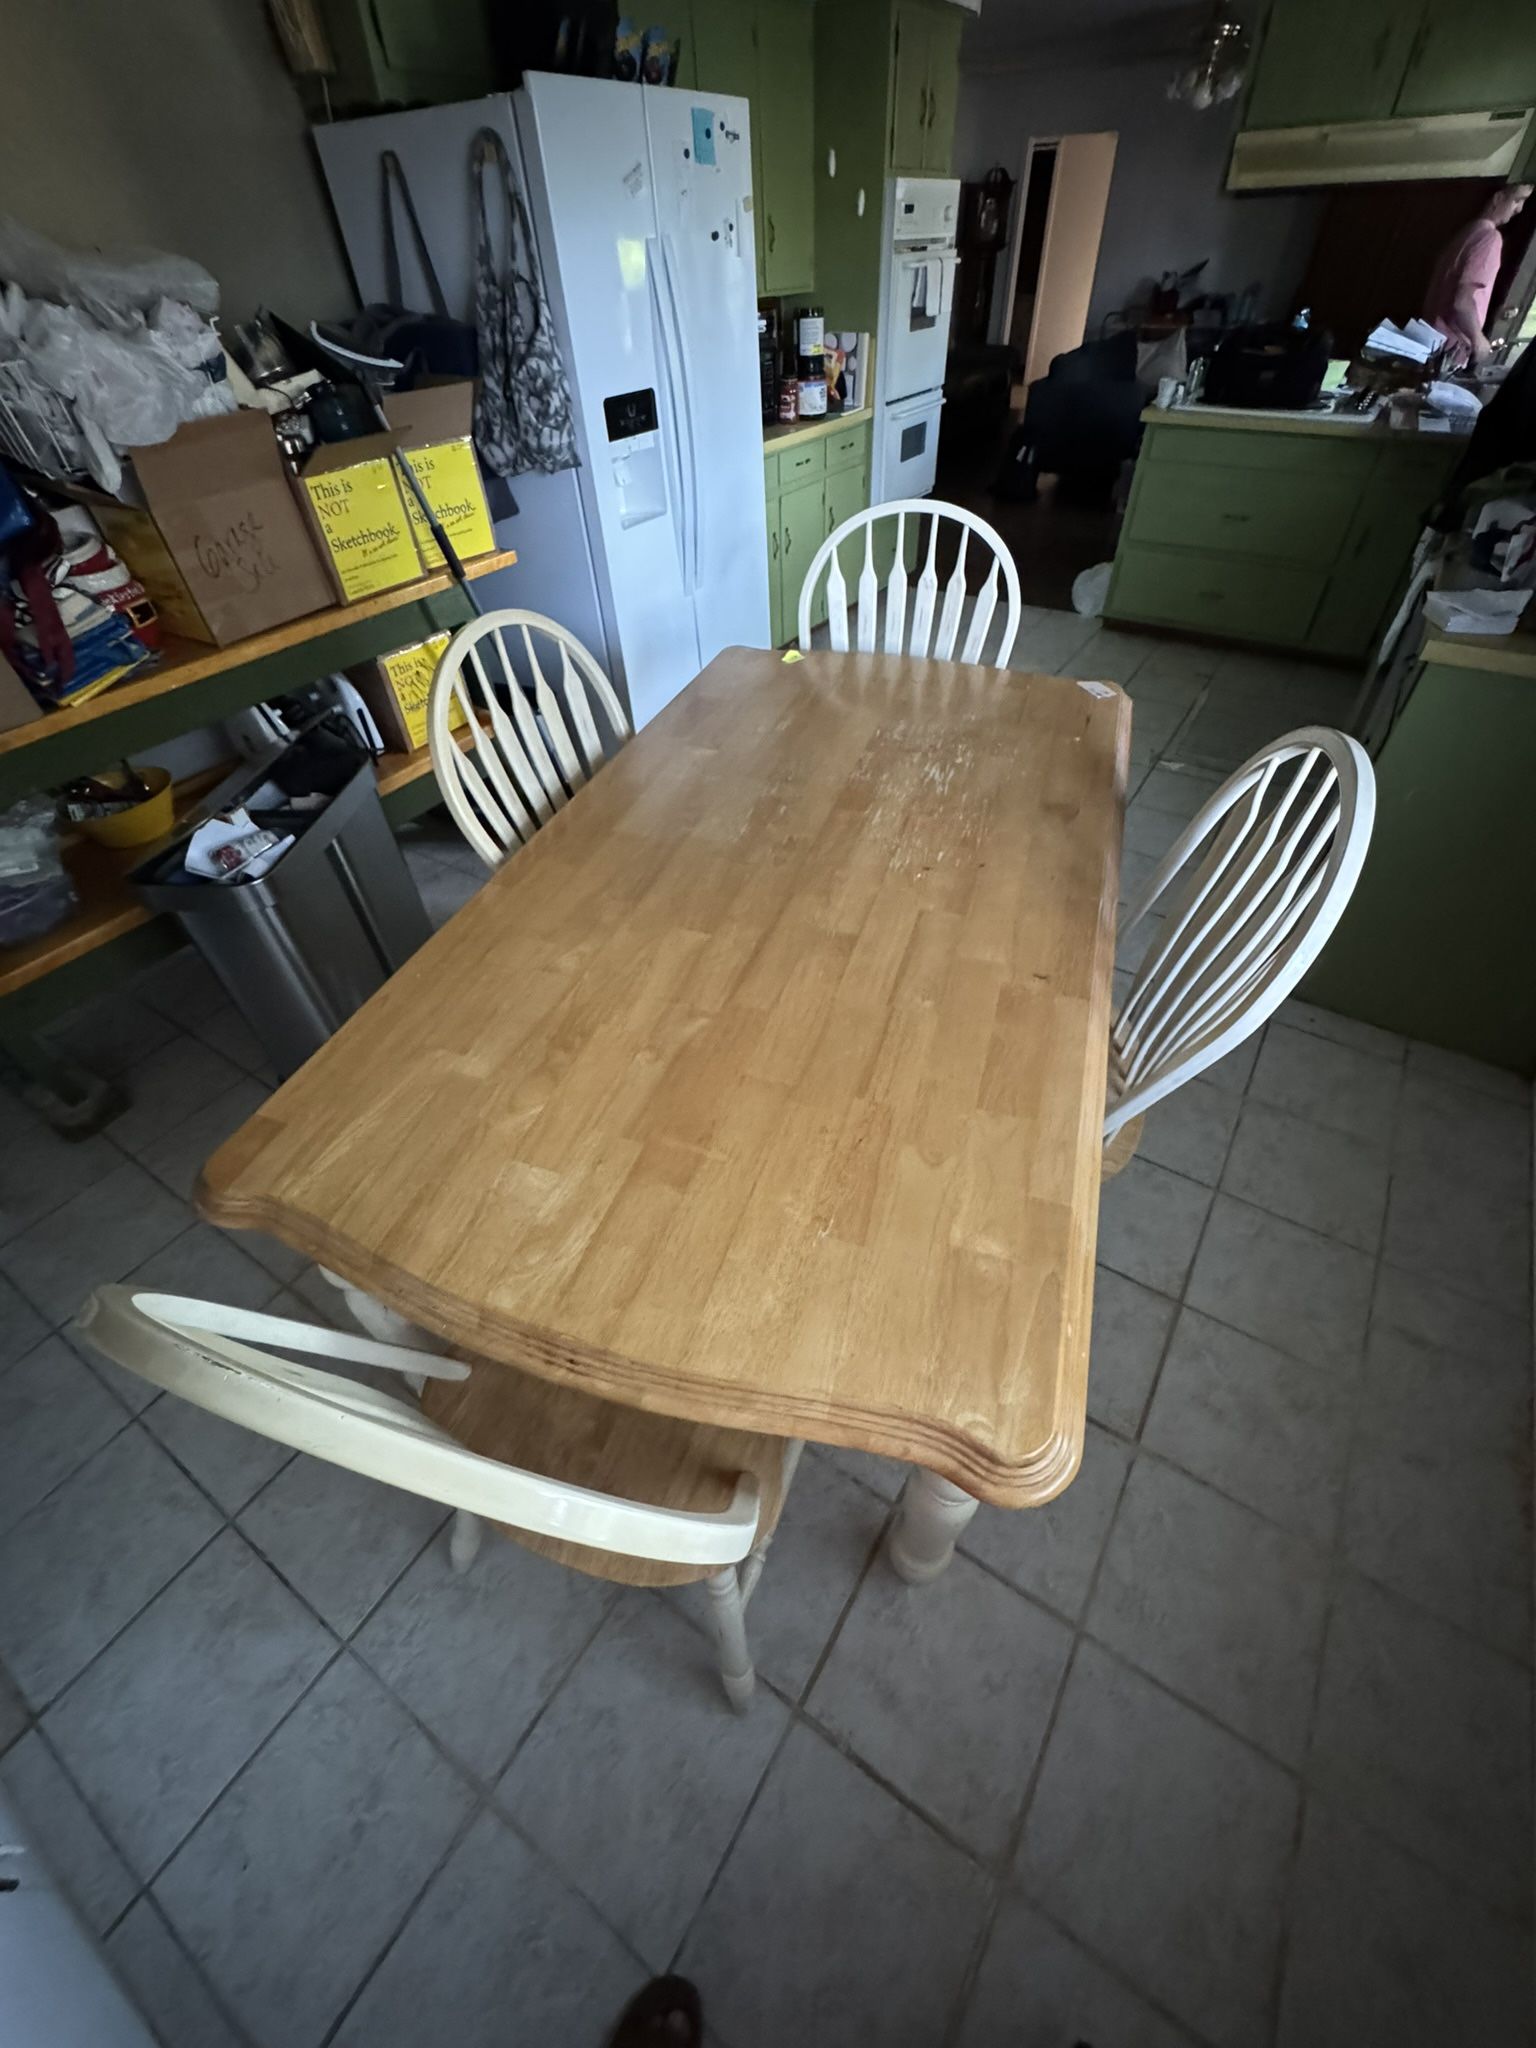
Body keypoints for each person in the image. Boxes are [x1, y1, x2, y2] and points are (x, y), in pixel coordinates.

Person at [1422, 183, 1532, 368]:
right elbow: (1462, 303)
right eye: (1517, 201)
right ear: (1498, 198)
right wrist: (1478, 340)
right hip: (1446, 351)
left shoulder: (1466, 232)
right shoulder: (1489, 238)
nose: (1519, 210)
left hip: (1428, 337)